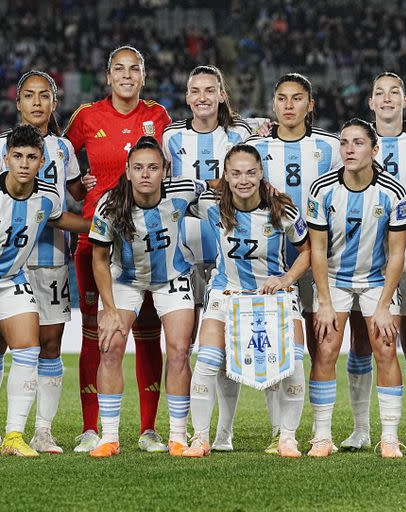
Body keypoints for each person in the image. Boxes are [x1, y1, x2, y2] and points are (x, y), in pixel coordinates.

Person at [0, 125, 89, 459]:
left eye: (31, 157)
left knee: (29, 349)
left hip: (9, 277)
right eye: (18, 156)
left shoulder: (47, 196)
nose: (24, 163)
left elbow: (60, 219)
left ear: (41, 161)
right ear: (6, 158)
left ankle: (13, 437)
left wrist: (99, 226)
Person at [0, 70, 95, 455]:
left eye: (45, 96)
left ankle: (42, 431)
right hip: (7, 259)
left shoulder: (62, 148)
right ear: (18, 103)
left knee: (50, 344)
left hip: (52, 256)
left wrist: (86, 187)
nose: (37, 102)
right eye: (29, 96)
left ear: (54, 103)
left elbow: (72, 194)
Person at [64, 46, 172, 453]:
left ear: (142, 77)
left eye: (134, 70)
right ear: (108, 77)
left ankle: (149, 429)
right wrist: (78, 188)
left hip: (149, 242)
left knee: (149, 335)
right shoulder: (87, 116)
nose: (126, 76)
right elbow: (61, 159)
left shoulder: (159, 116)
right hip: (97, 243)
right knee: (96, 335)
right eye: (118, 69)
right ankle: (91, 428)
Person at [184, 144, 310, 458]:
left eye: (251, 173)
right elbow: (174, 191)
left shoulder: (282, 208)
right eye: (236, 173)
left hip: (273, 297)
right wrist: (206, 184)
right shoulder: (210, 204)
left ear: (261, 174)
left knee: (292, 363)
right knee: (210, 361)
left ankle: (287, 438)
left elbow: (308, 250)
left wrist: (286, 280)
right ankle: (200, 438)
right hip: (227, 294)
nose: (244, 180)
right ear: (225, 176)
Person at [340, 72, 406, 451]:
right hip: (369, 263)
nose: (386, 99)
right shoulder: (357, 141)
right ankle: (362, 429)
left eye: (393, 92)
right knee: (364, 343)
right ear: (370, 102)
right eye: (379, 93)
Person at [87, 137, 205, 458]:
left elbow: (215, 185)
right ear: (127, 171)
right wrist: (109, 309)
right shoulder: (110, 203)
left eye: (153, 167)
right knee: (109, 346)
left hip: (172, 276)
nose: (145, 174)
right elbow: (99, 257)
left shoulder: (182, 190)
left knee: (180, 351)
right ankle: (109, 438)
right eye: (138, 167)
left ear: (165, 170)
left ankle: (178, 437)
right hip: (125, 278)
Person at [244, 72, 342, 454]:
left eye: (297, 98)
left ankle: (323, 432)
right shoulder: (255, 145)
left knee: (321, 347)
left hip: (317, 260)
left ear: (310, 105)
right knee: (274, 347)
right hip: (267, 264)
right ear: (273, 105)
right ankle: (278, 431)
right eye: (282, 98)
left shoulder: (331, 146)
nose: (288, 105)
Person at [161, 66, 252, 453]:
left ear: (220, 95)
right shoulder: (170, 138)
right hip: (179, 251)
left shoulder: (239, 136)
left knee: (223, 346)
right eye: (194, 90)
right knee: (181, 346)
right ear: (186, 96)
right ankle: (179, 429)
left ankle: (224, 433)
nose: (201, 97)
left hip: (224, 252)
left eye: (209, 90)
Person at [306, 119, 406, 458]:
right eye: (344, 142)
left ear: (374, 149)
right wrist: (322, 300)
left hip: (376, 281)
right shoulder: (321, 189)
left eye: (358, 143)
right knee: (325, 351)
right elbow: (317, 250)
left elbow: (397, 254)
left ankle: (390, 437)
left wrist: (383, 305)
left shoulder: (394, 193)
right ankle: (321, 436)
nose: (349, 149)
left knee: (385, 350)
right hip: (333, 279)